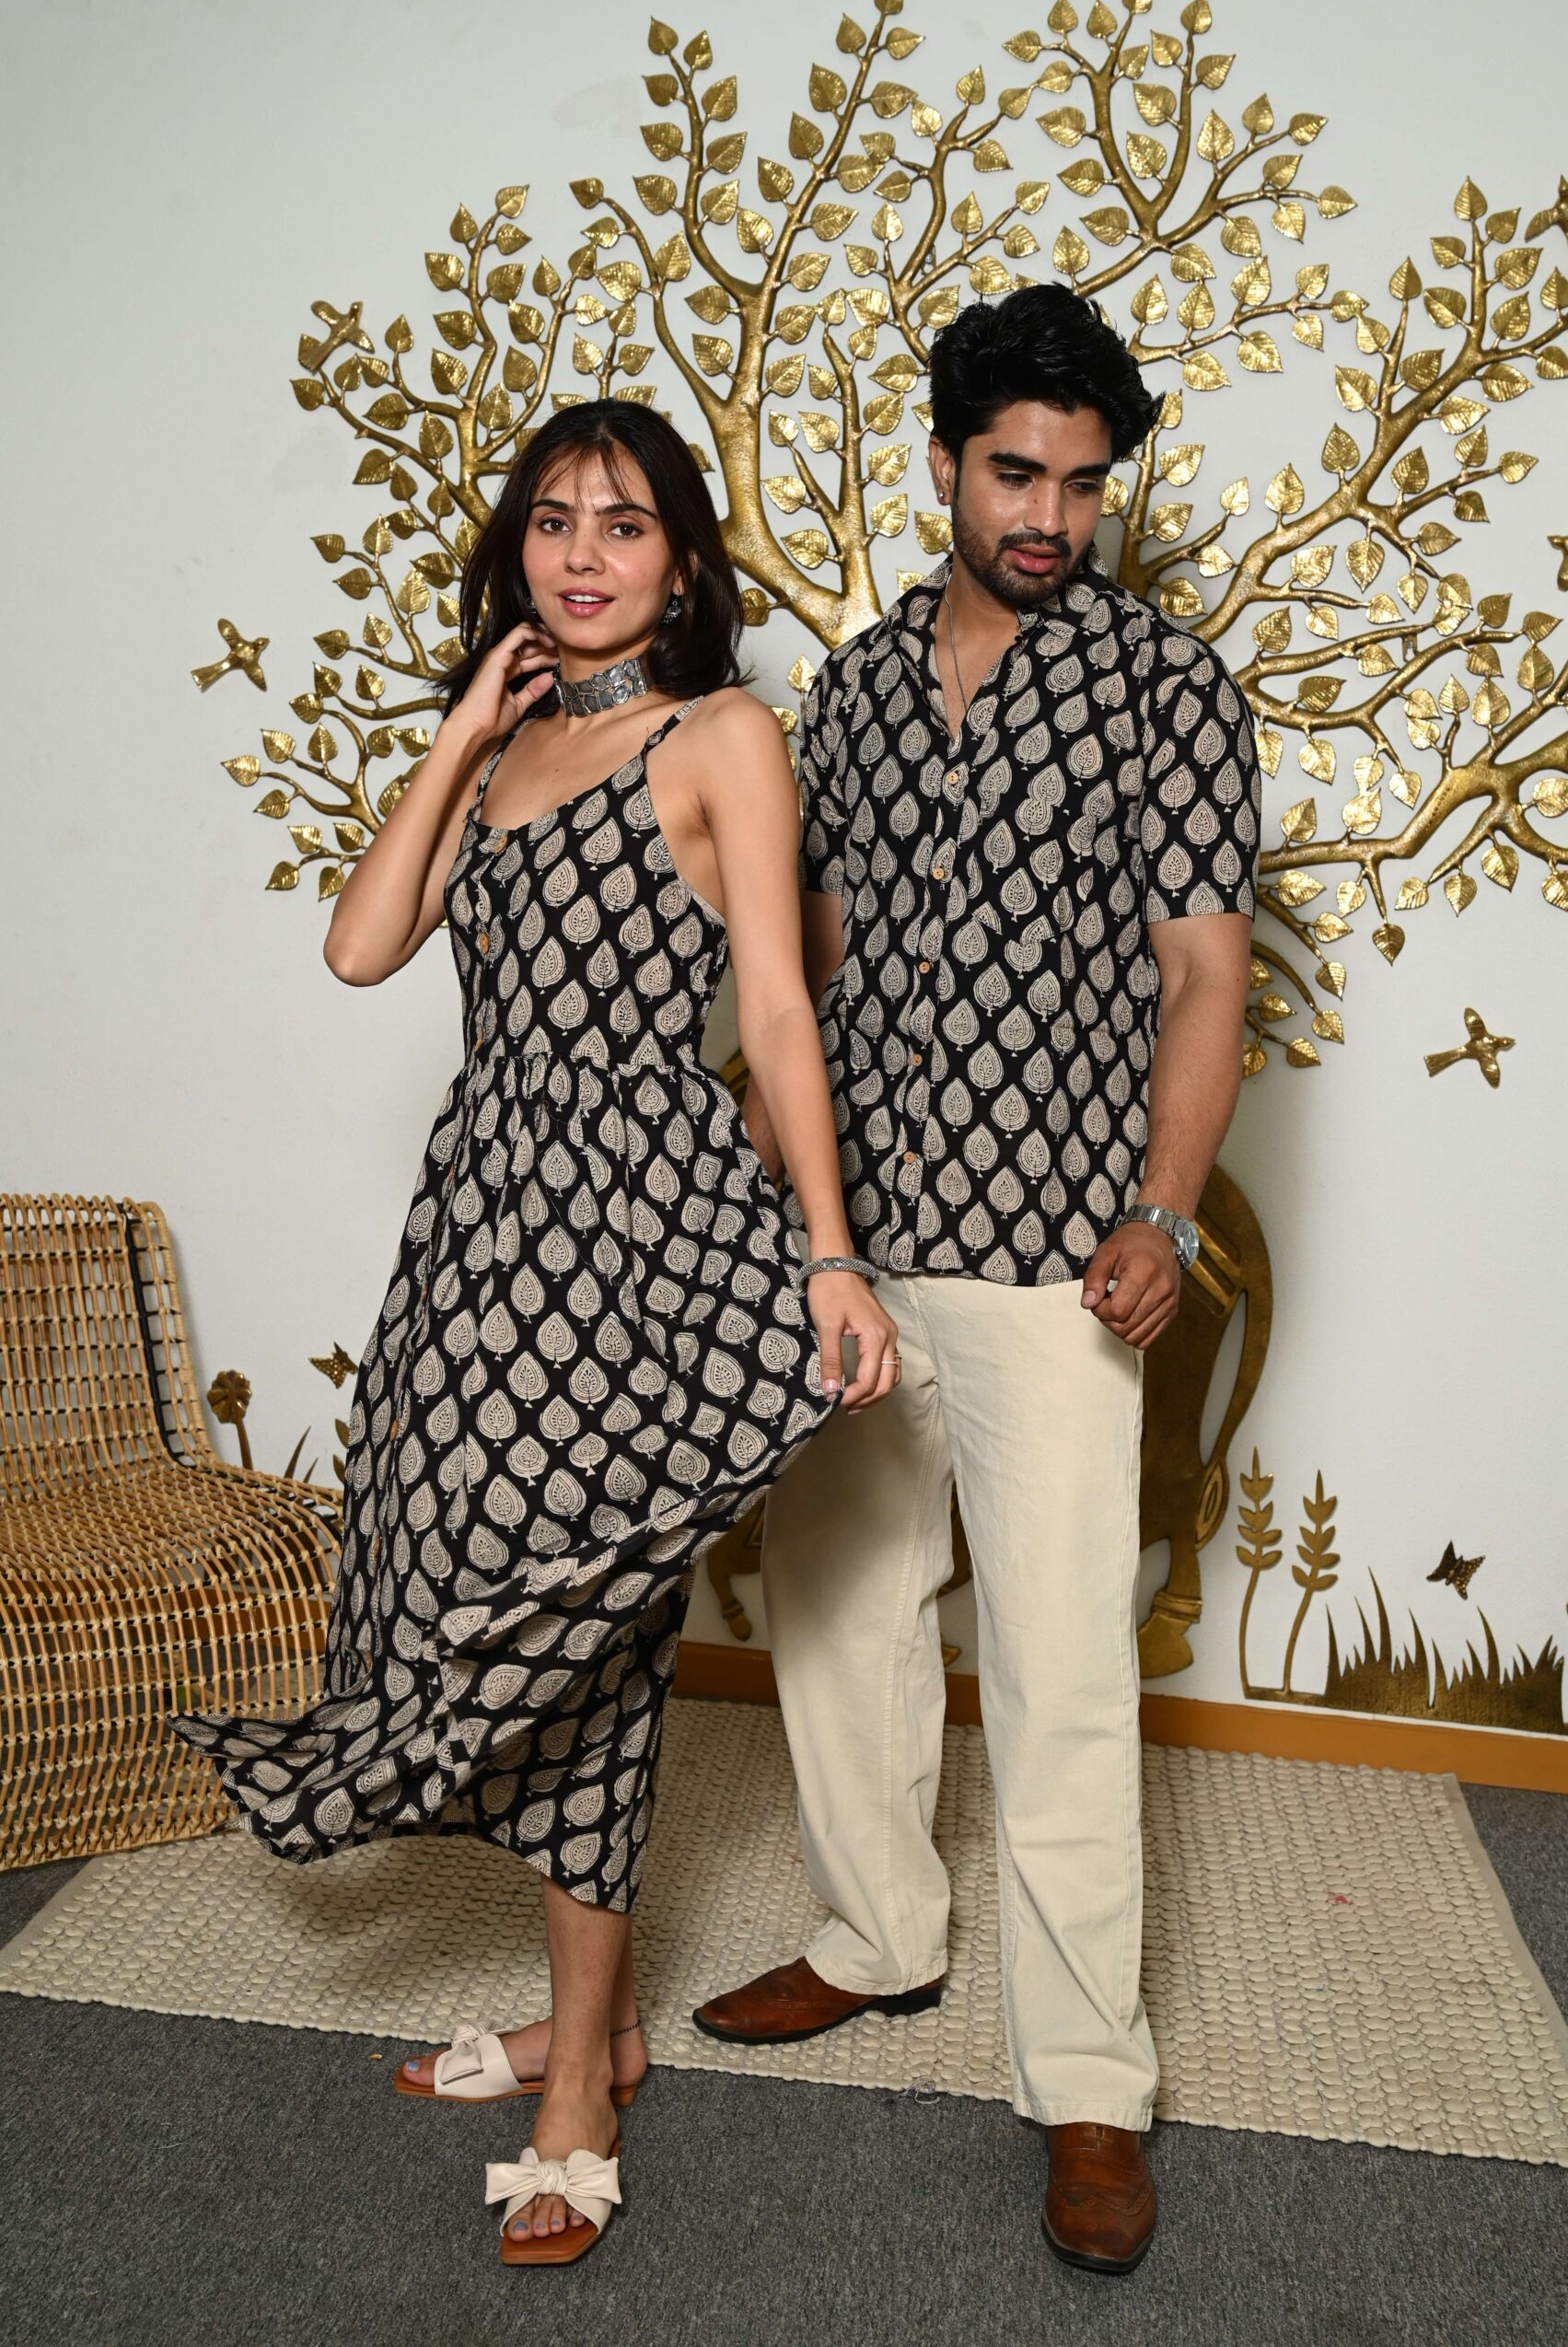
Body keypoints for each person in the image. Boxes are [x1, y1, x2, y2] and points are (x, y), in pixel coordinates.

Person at [171, 401, 899, 2267]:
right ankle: (602, 2021)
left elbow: (779, 1007)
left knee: (591, 1615)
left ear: (682, 560)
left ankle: (581, 2076)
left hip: (641, 1233)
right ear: (517, 552)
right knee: (458, 1578)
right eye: (554, 521)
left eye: (625, 524)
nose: (584, 554)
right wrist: (455, 736)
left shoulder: (721, 736)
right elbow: (360, 948)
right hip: (479, 1234)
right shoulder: (501, 754)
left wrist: (828, 1253)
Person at [692, 284, 1260, 2275]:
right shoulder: (849, 693)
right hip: (858, 1244)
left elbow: (1205, 976)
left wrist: (1163, 1214)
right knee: (842, 1612)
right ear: (944, 462)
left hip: (1055, 1257)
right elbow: (812, 974)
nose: (1049, 516)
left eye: (1083, 485)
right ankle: (876, 1934)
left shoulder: (1170, 689)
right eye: (1016, 473)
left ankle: (1089, 2075)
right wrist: (784, 1215)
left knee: (1062, 1667)